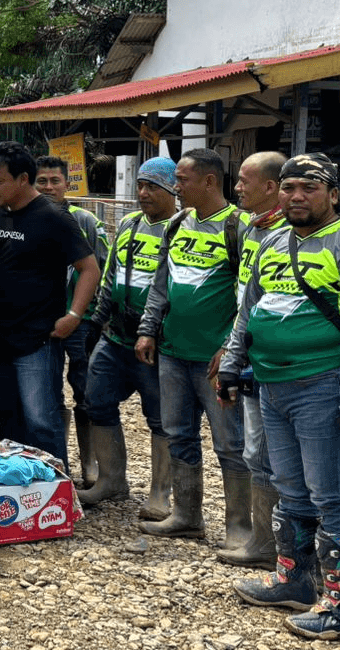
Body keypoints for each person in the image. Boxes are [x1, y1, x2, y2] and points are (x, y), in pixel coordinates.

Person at [221, 153, 340, 639]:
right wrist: (233, 364)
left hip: (326, 386)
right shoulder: (273, 242)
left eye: (310, 188)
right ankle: (294, 580)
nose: (297, 197)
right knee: (290, 487)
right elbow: (247, 313)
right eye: (290, 188)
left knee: (332, 495)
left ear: (333, 194)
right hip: (272, 385)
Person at [136, 149, 247, 544]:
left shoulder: (240, 226)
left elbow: (253, 295)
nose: (176, 187)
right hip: (173, 351)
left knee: (231, 444)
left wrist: (233, 347)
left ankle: (239, 528)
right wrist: (148, 329)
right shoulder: (179, 223)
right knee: (178, 432)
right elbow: (160, 283)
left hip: (215, 359)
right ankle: (186, 515)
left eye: (182, 180)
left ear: (209, 181)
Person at [0, 141, 100, 463]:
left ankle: (57, 496)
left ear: (22, 179)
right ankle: (20, 492)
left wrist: (74, 315)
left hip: (37, 339)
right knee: (6, 416)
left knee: (41, 421)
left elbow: (90, 269)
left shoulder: (54, 218)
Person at [80, 158, 178, 514]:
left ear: (173, 189)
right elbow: (109, 276)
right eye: (140, 185)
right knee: (97, 401)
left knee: (161, 418)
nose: (143, 193)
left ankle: (160, 494)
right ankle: (111, 480)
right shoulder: (128, 224)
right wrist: (96, 321)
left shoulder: (180, 227)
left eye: (152, 186)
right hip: (116, 337)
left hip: (157, 343)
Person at [214, 151, 287, 568]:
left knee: (281, 458)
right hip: (250, 358)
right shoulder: (250, 230)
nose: (237, 188)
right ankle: (264, 542)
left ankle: (290, 547)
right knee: (256, 451)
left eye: (244, 180)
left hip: (286, 368)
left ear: (269, 187)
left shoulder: (292, 235)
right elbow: (246, 299)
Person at [36, 155, 108, 485]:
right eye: (42, 181)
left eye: (55, 181)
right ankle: (56, 459)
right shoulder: (27, 219)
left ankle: (91, 464)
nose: (49, 187)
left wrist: (86, 315)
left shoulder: (85, 221)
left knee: (87, 390)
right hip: (44, 322)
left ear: (67, 184)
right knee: (49, 391)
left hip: (82, 321)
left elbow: (103, 269)